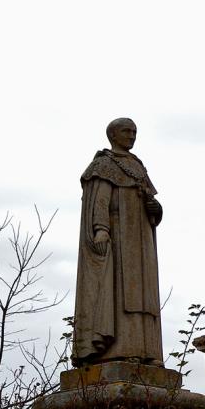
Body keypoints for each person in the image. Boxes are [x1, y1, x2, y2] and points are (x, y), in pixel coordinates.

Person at [72, 118, 164, 365]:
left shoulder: (138, 166)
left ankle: (148, 351)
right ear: (113, 135)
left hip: (142, 240)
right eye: (127, 131)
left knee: (145, 295)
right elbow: (99, 201)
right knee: (122, 291)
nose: (132, 136)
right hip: (119, 240)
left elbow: (150, 201)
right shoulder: (103, 165)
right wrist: (101, 229)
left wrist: (156, 209)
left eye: (135, 132)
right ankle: (123, 349)